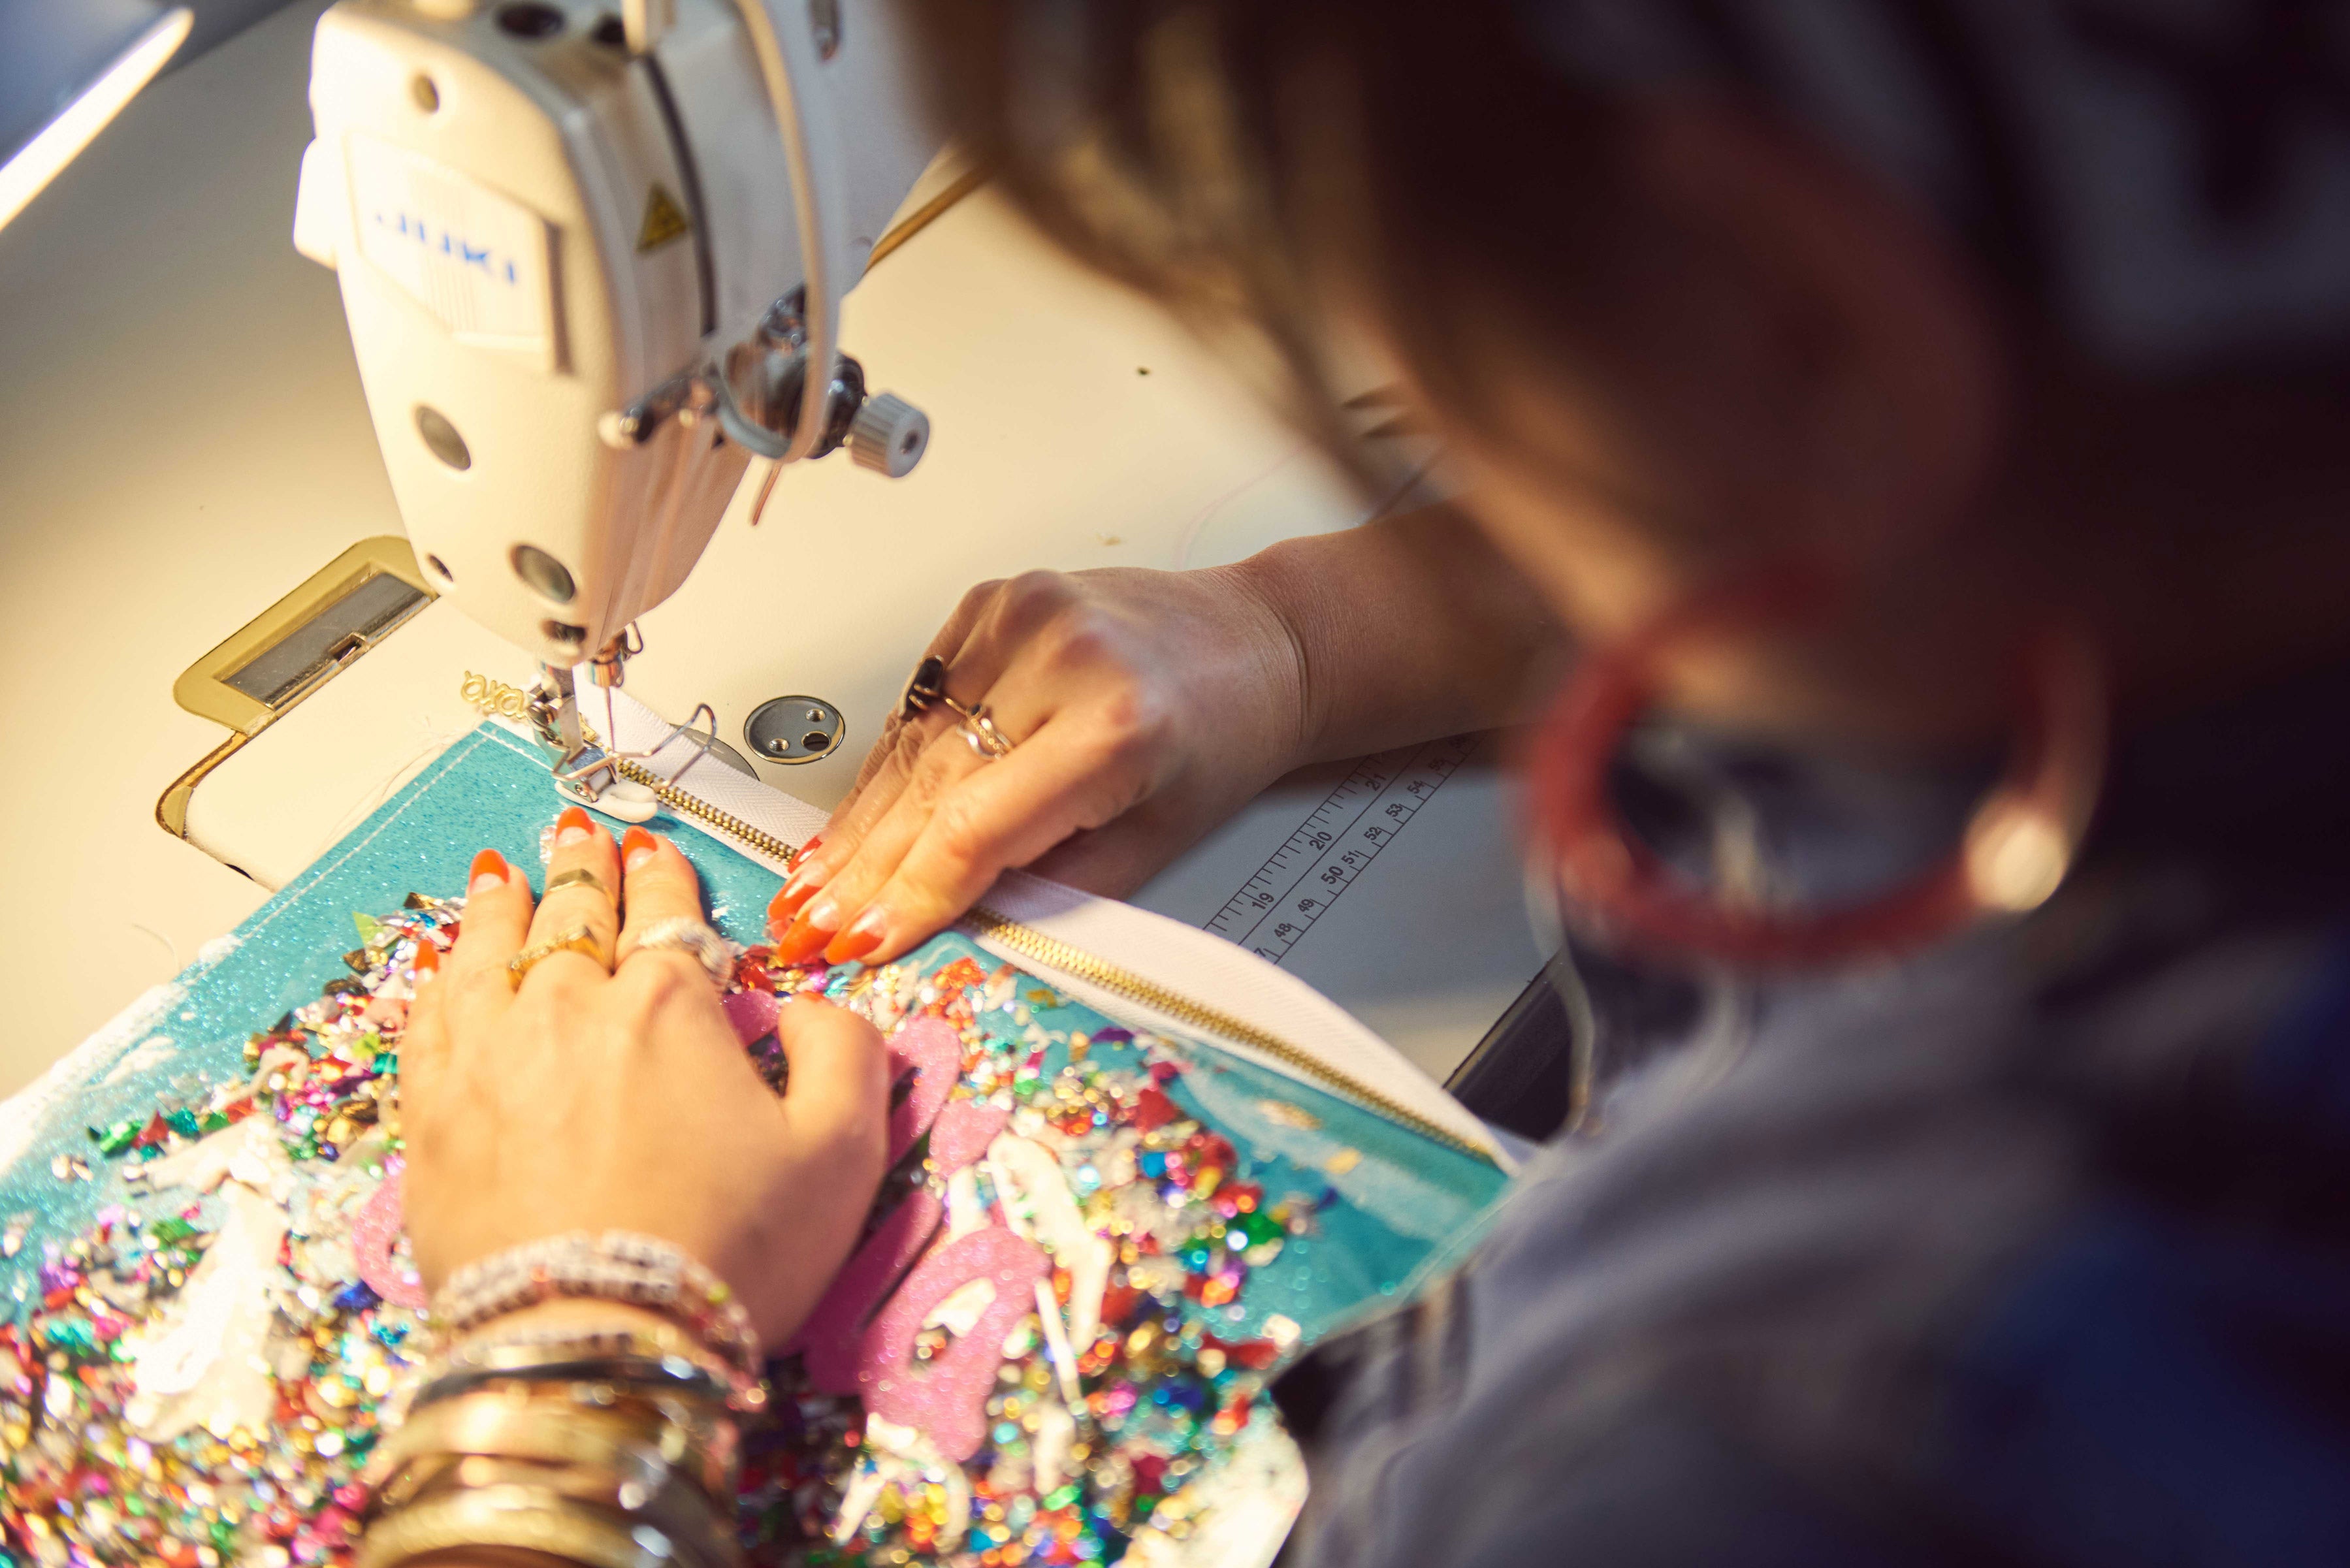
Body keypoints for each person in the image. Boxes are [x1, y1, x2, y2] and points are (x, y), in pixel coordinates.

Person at [393, 1, 2350, 1563]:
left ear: (1797, 317)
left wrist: (574, 1368)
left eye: (1339, 278)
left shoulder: (1772, 1446)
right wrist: (1324, 631)